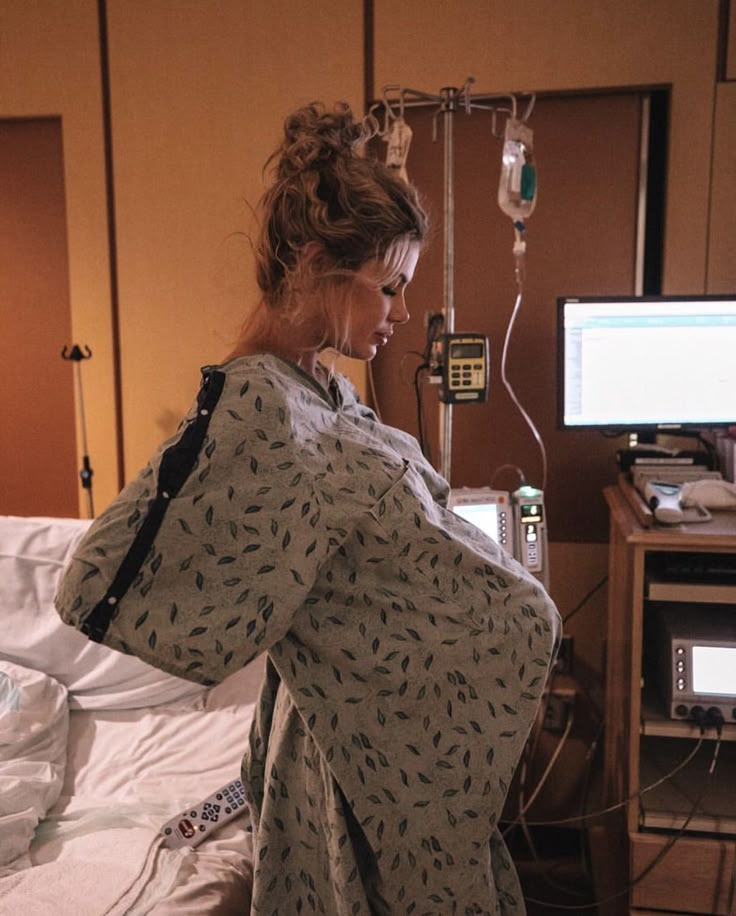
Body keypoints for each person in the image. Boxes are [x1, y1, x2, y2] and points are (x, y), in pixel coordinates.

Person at [55, 101, 560, 915]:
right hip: (354, 768)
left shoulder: (321, 390)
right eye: (389, 286)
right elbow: (94, 583)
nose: (400, 312)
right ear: (322, 264)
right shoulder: (255, 407)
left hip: (395, 765)